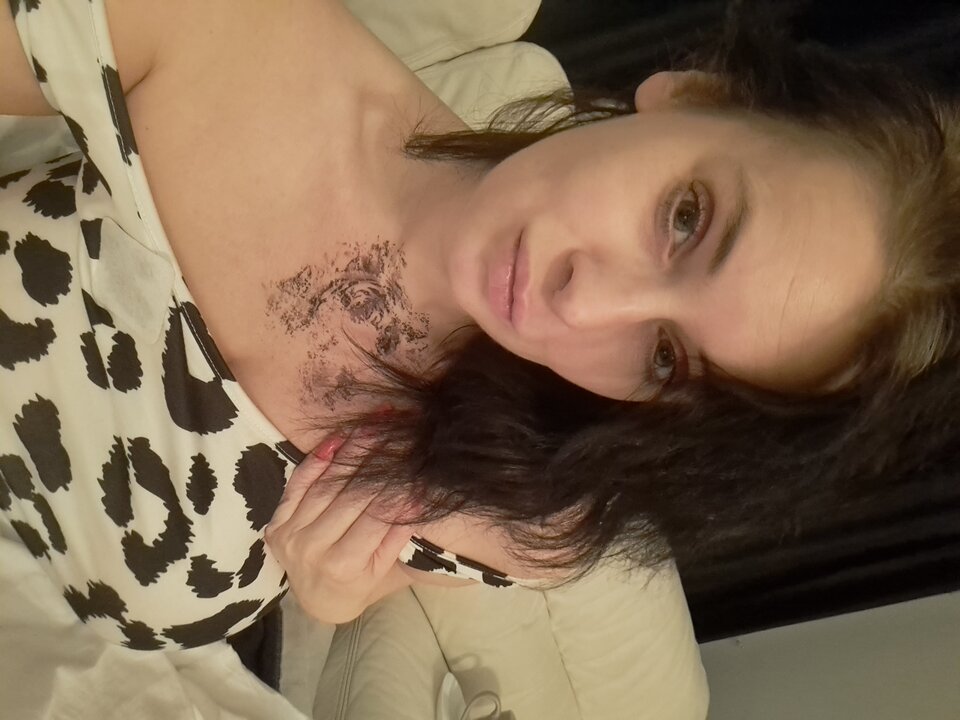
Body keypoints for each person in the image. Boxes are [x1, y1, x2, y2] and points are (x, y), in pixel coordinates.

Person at [1, 0, 957, 647]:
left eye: (669, 359)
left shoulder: (537, 501)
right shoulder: (224, 31)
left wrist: (333, 591)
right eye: (685, 219)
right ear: (693, 95)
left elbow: (377, 567)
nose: (583, 304)